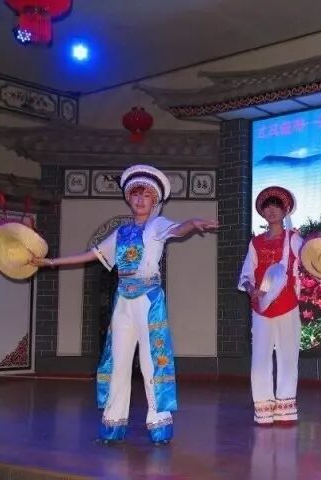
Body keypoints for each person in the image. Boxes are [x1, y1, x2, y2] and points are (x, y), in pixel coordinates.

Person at [32, 164, 218, 445]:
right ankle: (113, 426)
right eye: (135, 195)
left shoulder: (157, 226)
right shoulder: (121, 232)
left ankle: (159, 426)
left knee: (150, 363)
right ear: (129, 198)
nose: (140, 200)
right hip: (123, 302)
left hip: (148, 300)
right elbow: (90, 255)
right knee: (117, 363)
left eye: (146, 195)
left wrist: (193, 222)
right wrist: (50, 262)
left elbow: (179, 230)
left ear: (154, 200)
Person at [238, 186, 321, 426]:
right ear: (262, 211)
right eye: (267, 206)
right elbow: (247, 274)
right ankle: (263, 409)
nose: (271, 210)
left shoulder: (293, 239)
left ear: (285, 210)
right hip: (261, 307)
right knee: (260, 359)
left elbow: (314, 264)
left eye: (276, 206)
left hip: (287, 306)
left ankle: (285, 409)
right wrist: (251, 290)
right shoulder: (255, 243)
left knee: (288, 358)